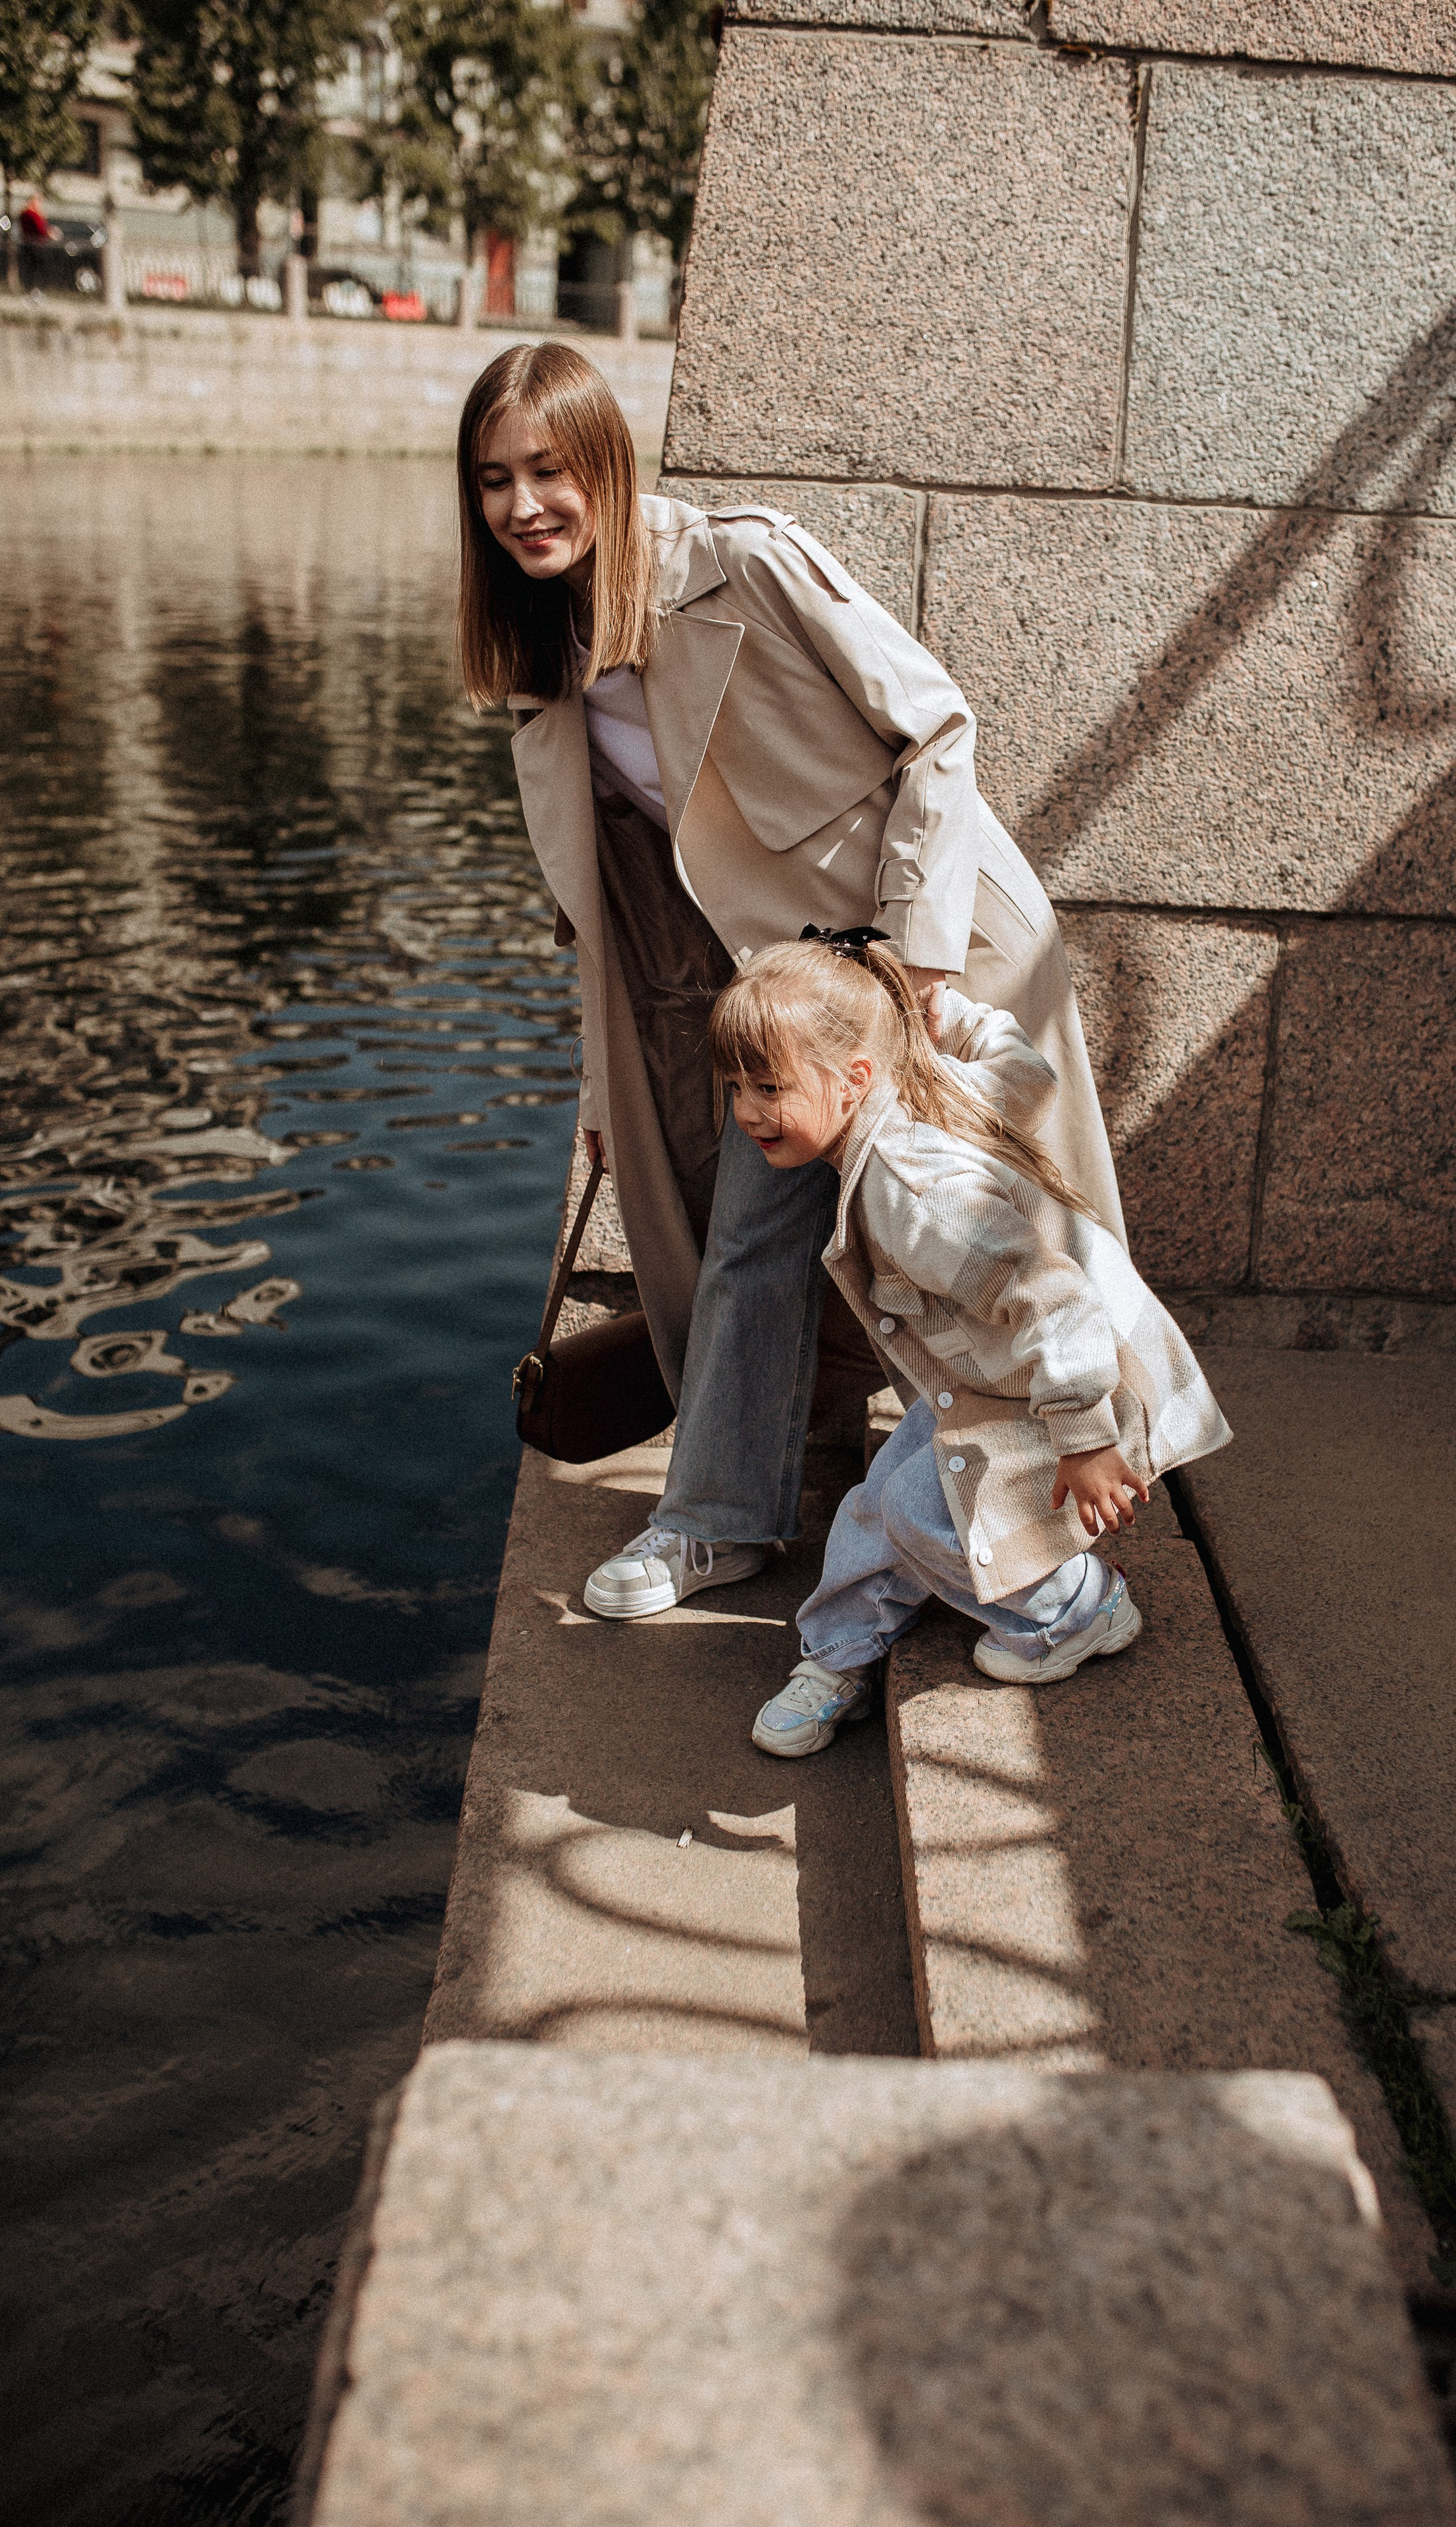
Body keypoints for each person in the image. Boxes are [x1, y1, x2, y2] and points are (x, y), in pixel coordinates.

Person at [457, 340, 1134, 1619]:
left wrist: (918, 964)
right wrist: (604, 1084)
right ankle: (712, 1522)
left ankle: (1059, 1507)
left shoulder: (744, 560)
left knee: (990, 1237)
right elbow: (606, 915)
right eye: (494, 481)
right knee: (752, 1236)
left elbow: (936, 725)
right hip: (788, 993)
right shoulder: (546, 661)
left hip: (933, 950)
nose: (523, 505)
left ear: (605, 465)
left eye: (548, 471)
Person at [702, 935, 1231, 1755]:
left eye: (770, 1087)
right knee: (881, 1498)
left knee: (920, 1511)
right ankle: (840, 1650)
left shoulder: (913, 1194)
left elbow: (1050, 1297)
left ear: (854, 1079)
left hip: (1073, 1380)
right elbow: (1025, 1073)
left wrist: (1084, 1438)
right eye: (736, 1086)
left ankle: (1076, 1608)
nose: (747, 1112)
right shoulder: (923, 1085)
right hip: (998, 1374)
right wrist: (945, 1014)